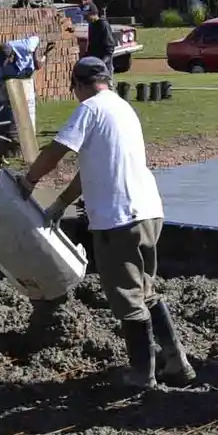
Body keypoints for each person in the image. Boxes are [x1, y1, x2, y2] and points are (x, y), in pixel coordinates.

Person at [19, 57, 196, 390]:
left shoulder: (90, 109)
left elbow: (57, 150)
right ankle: (178, 362)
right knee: (146, 291)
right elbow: (93, 169)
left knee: (128, 299)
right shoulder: (123, 109)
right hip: (148, 212)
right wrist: (60, 204)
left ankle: (143, 376)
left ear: (80, 84)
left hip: (119, 219)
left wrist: (28, 181)